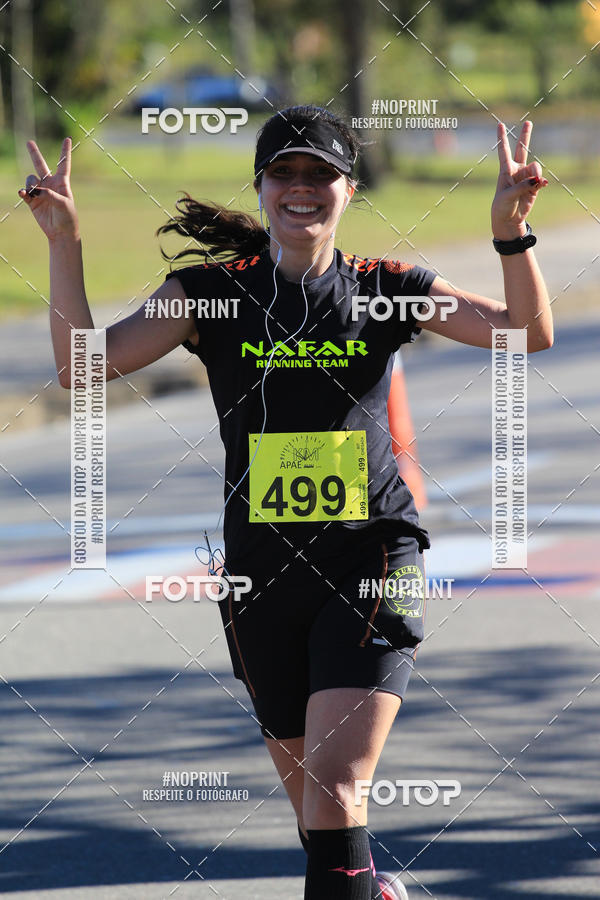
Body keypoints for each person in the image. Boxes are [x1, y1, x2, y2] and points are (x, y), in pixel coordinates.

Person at [19, 104, 552, 900]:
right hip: (260, 574)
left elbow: (524, 331)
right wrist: (65, 242)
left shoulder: (385, 288)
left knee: (336, 789)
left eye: (320, 174)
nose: (302, 188)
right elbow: (85, 369)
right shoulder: (207, 296)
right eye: (285, 173)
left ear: (348, 189)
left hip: (372, 559)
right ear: (263, 187)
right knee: (319, 814)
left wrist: (511, 234)